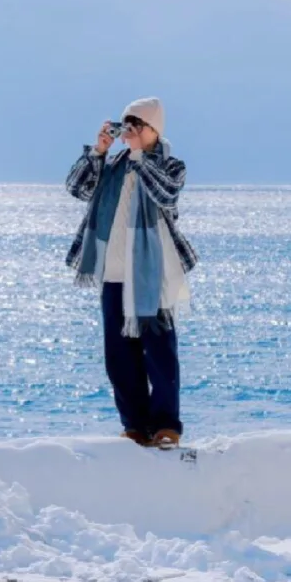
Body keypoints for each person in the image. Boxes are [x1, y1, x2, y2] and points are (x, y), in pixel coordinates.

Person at [64, 98, 197, 448]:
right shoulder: (114, 164)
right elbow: (77, 188)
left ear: (155, 130)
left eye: (138, 124)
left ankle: (166, 426)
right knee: (119, 357)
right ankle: (135, 427)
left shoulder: (170, 165)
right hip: (113, 273)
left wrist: (139, 156)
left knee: (159, 352)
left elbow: (166, 195)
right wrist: (98, 151)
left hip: (152, 274)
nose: (131, 131)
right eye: (127, 123)